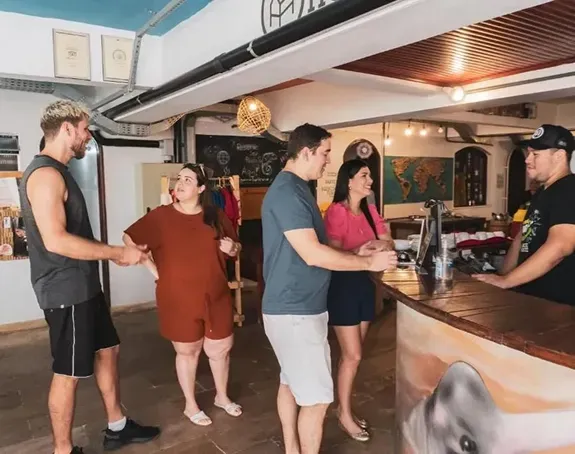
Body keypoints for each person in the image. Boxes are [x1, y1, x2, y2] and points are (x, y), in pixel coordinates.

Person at [19, 100, 160, 454]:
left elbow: (72, 234)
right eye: (84, 129)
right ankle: (63, 450)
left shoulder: (60, 171)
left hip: (83, 285)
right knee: (68, 372)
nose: (88, 136)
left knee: (108, 350)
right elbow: (56, 240)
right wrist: (117, 253)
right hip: (65, 290)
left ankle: (117, 427)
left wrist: (117, 254)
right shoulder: (45, 175)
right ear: (67, 129)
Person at [261, 123, 398, 454]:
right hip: (296, 310)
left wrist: (358, 254)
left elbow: (313, 249)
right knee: (318, 400)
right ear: (306, 152)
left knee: (290, 382)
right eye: (324, 153)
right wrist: (368, 262)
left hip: (295, 307)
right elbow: (312, 253)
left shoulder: (296, 189)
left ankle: (292, 450)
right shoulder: (289, 192)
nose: (327, 161)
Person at [123, 163, 243, 427]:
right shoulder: (161, 216)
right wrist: (154, 270)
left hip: (216, 295)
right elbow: (129, 238)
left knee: (221, 349)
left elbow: (236, 247)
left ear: (201, 188)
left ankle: (222, 397)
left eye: (188, 180)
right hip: (177, 298)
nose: (180, 183)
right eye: (179, 178)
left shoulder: (215, 215)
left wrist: (233, 248)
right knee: (188, 351)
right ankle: (191, 405)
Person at [323, 159, 393, 442]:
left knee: (354, 355)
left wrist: (372, 249)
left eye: (370, 176)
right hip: (343, 286)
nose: (370, 181)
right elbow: (333, 254)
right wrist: (362, 252)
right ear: (348, 181)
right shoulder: (336, 212)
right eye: (364, 175)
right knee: (353, 355)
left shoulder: (370, 210)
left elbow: (387, 241)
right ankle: (344, 414)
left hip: (366, 284)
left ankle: (343, 407)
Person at [473, 124, 575, 305]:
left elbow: (561, 246)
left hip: (558, 306)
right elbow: (522, 238)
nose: (527, 160)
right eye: (528, 153)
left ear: (559, 156)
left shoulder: (569, 190)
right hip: (532, 299)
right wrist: (501, 277)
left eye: (535, 154)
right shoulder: (543, 192)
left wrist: (506, 281)